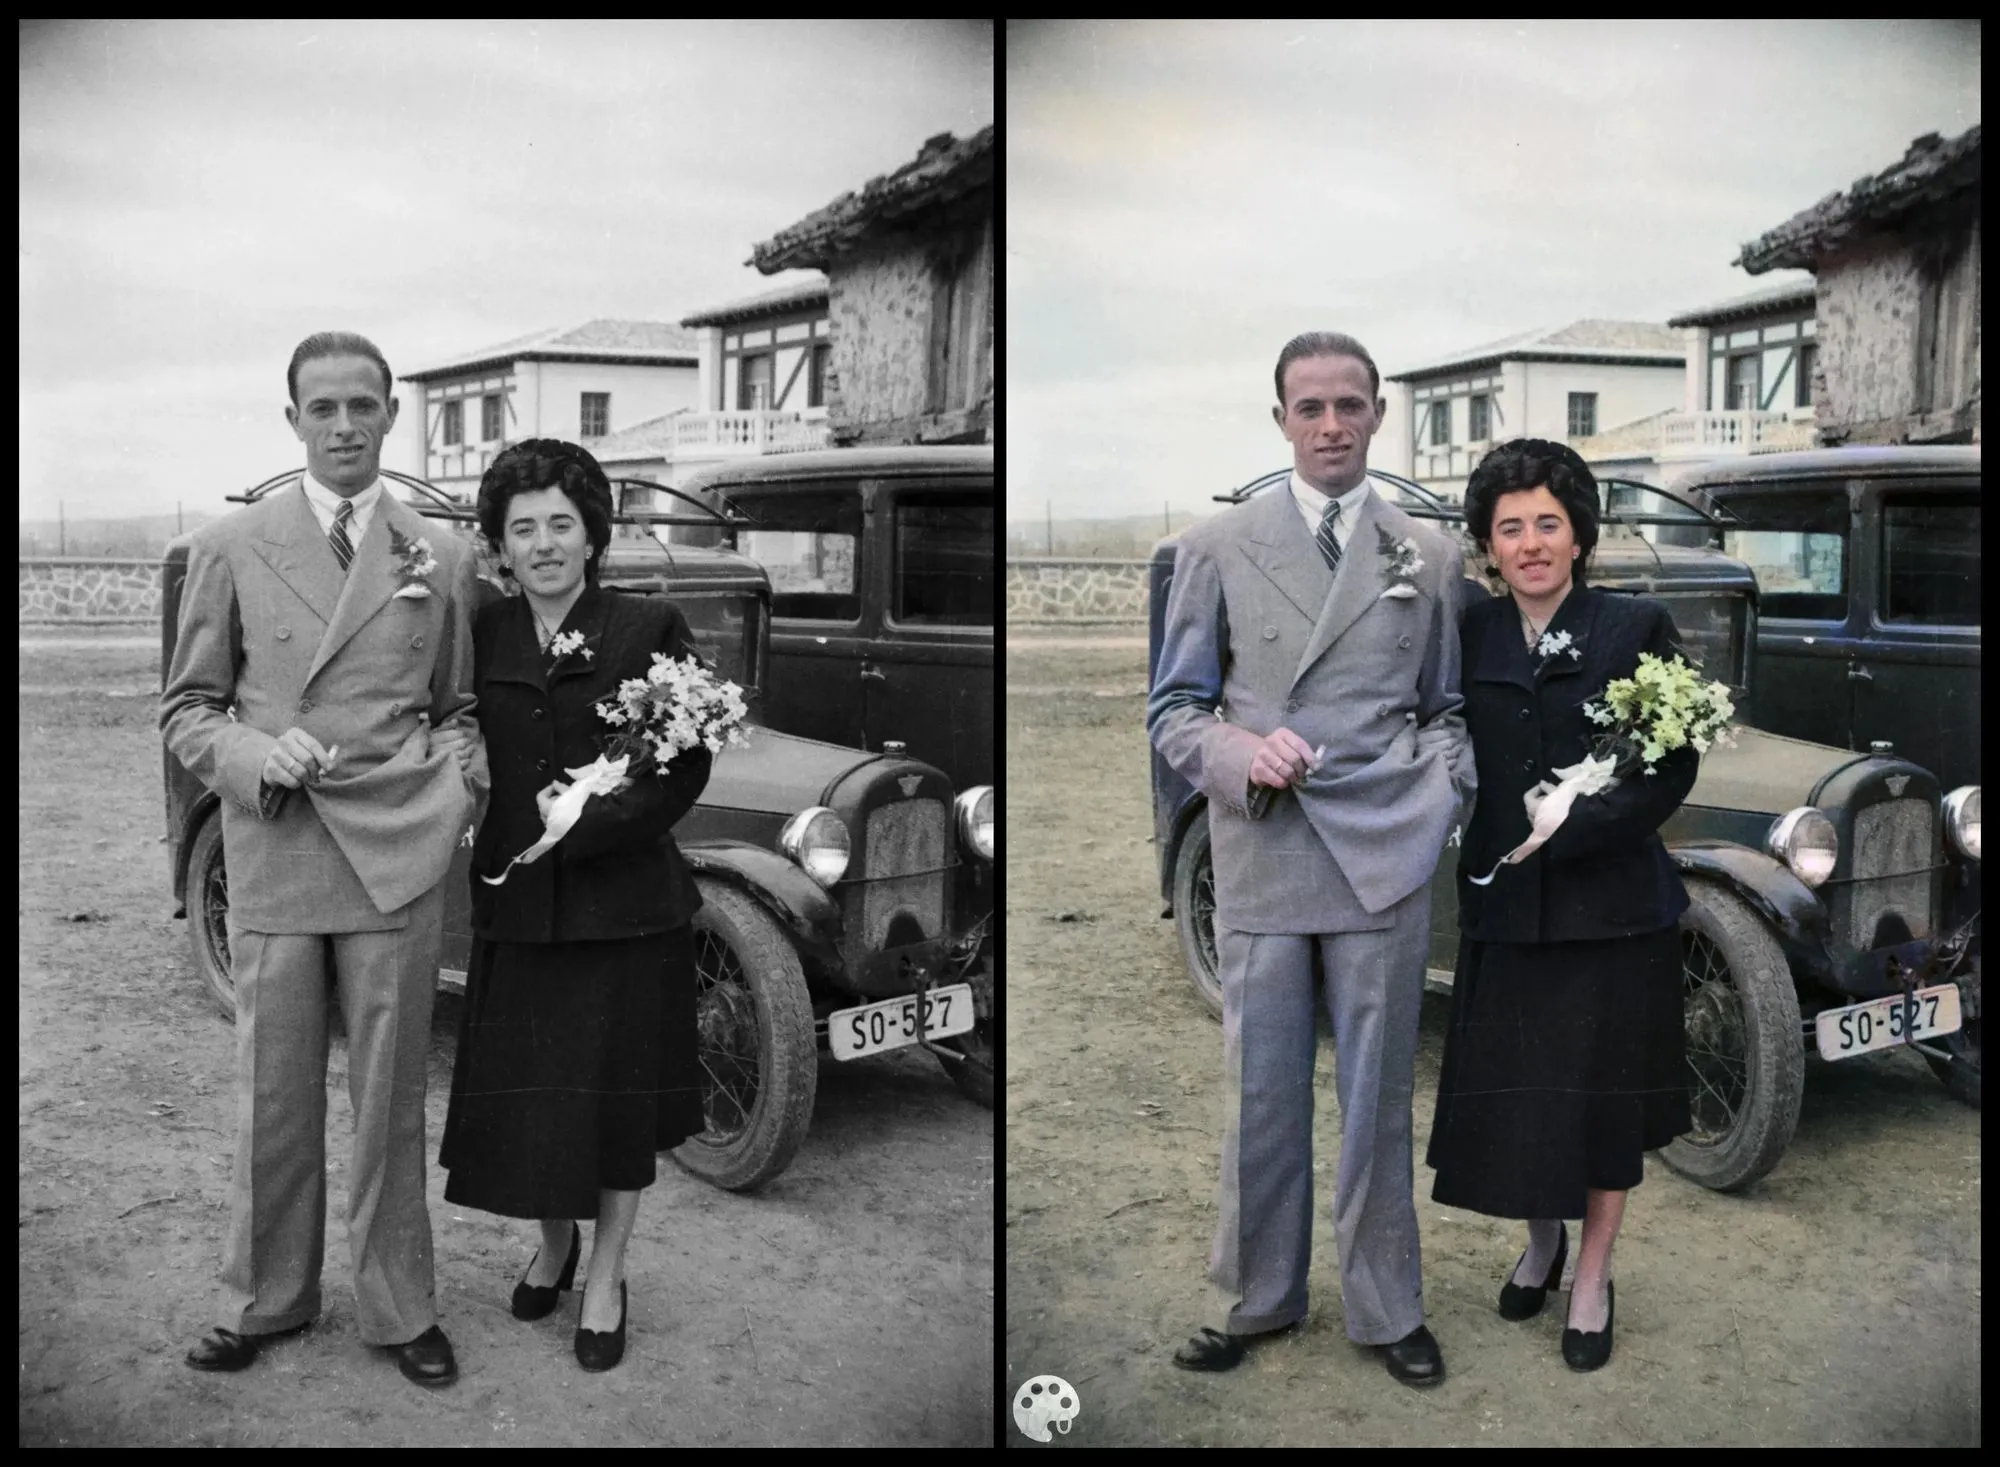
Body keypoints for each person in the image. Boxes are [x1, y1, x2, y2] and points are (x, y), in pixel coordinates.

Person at [162, 331, 489, 1387]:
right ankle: (268, 1298)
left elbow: (457, 709)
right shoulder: (229, 544)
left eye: (363, 405)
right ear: (291, 419)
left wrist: (457, 790)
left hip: (395, 852)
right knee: (276, 1088)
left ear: (394, 414)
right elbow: (188, 712)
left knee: (390, 1094)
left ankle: (400, 1311)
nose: (345, 425)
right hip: (283, 848)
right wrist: (260, 751)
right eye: (323, 408)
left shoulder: (436, 552)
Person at [1148, 332, 1475, 1387]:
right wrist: (1245, 752)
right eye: (1309, 408)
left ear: (1380, 414)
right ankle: (1259, 1297)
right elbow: (1175, 713)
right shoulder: (1214, 546)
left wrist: (1439, 794)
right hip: (1269, 854)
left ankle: (1387, 1311)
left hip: (1383, 856)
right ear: (1278, 420)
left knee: (1377, 1095)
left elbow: (1445, 712)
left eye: (1349, 405)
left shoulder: (1423, 552)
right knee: (1264, 1088)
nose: (1331, 426)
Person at [430, 438, 711, 1373]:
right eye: (522, 528)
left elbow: (684, 765)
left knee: (616, 1112)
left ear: (593, 532)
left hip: (625, 914)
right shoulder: (481, 631)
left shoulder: (649, 627)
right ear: (499, 546)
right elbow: (450, 728)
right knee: (533, 1108)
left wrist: (589, 823)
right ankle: (555, 1243)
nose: (544, 543)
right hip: (520, 915)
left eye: (561, 522)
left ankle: (607, 1274)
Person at [1425, 438, 1697, 1372]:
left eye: (1549, 522)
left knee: (1602, 1109)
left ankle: (1593, 1273)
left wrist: (1576, 825)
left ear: (1579, 534)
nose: (1531, 543)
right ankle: (1540, 1243)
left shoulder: (1637, 626)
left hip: (1612, 912)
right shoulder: (1471, 635)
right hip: (1509, 914)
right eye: (1510, 528)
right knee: (1522, 1104)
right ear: (1488, 546)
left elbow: (1672, 764)